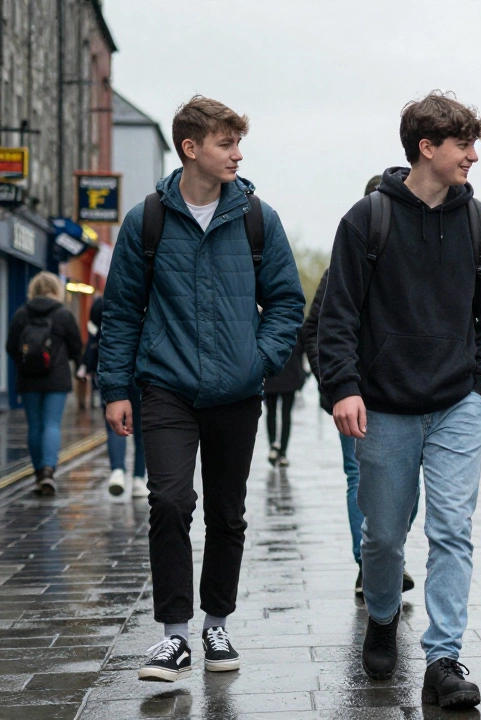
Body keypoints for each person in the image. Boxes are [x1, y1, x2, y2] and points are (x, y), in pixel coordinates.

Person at [317, 91, 481, 710]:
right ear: (426, 147)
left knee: (453, 528)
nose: (473, 157)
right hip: (382, 406)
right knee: (382, 536)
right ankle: (381, 617)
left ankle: (443, 658)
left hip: (457, 402)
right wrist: (342, 388)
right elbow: (338, 313)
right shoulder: (366, 219)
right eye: (463, 145)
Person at [98, 96, 305, 683]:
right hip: (166, 387)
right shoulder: (147, 221)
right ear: (191, 149)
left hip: (237, 392)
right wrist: (116, 387)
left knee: (227, 512)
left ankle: (216, 624)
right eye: (225, 143)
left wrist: (257, 360)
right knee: (167, 502)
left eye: (239, 143)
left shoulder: (258, 218)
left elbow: (288, 302)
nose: (237, 154)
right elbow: (121, 312)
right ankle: (175, 636)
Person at [300, 175, 417, 598]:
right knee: (359, 479)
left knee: (406, 487)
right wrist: (334, 384)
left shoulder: (413, 267)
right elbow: (316, 329)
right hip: (354, 398)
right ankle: (368, 565)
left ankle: (387, 557)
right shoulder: (342, 266)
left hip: (401, 397)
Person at [6, 271, 83, 496]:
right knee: (51, 424)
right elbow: (76, 347)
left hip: (28, 379)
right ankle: (49, 471)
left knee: (35, 426)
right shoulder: (63, 314)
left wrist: (25, 363)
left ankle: (39, 473)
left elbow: (11, 346)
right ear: (57, 289)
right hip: (56, 379)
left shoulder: (22, 313)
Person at [81, 294, 147, 497]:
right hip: (141, 369)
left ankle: (117, 471)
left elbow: (94, 337)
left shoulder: (101, 303)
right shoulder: (147, 298)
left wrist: (87, 364)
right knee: (141, 428)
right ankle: (138, 480)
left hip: (110, 370)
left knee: (114, 425)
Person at [263, 340, 307, 467]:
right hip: (290, 375)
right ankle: (282, 452)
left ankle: (273, 446)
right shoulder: (295, 323)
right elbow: (304, 349)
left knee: (271, 413)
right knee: (285, 414)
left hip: (273, 374)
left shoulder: (266, 321)